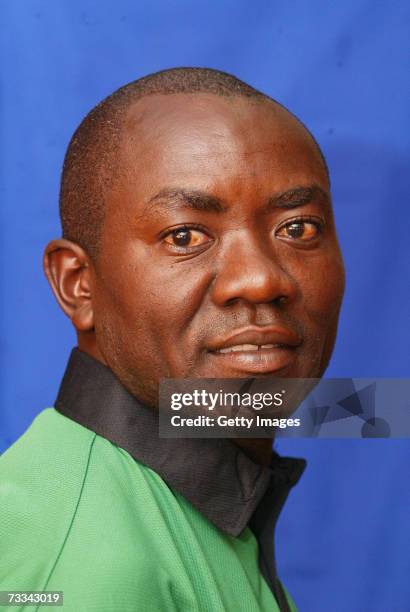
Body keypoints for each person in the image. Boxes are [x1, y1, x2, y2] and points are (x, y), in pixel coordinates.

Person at [0, 67, 345, 611]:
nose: (260, 279)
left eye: (297, 228)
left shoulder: (195, 498)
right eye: (185, 236)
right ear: (78, 284)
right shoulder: (80, 566)